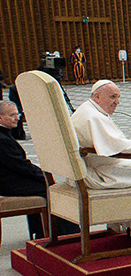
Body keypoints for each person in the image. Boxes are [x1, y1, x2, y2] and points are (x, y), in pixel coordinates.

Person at [71, 80, 131, 189]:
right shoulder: (93, 117)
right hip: (101, 173)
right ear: (97, 96)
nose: (117, 102)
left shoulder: (88, 109)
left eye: (118, 97)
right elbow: (120, 147)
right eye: (113, 97)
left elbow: (116, 145)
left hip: (104, 166)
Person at [0, 99, 77, 239]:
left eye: (17, 114)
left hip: (9, 177)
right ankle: (65, 233)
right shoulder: (2, 139)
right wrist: (43, 175)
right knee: (51, 189)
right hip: (7, 183)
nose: (17, 118)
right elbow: (20, 165)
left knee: (44, 185)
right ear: (0, 117)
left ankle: (42, 231)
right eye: (12, 115)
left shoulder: (4, 134)